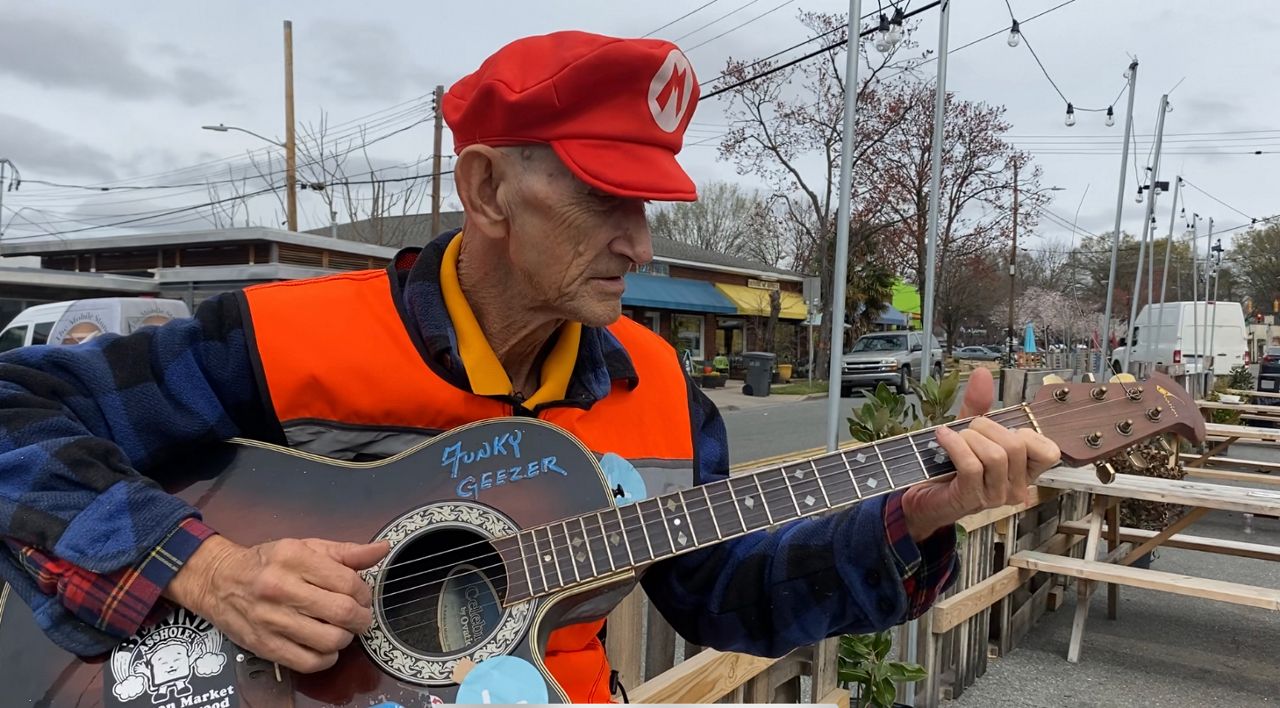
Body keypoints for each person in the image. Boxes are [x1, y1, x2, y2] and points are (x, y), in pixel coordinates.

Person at [0, 31, 1059, 703]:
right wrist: (212, 571)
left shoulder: (657, 389)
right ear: (490, 190)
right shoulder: (280, 337)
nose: (640, 245)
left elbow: (721, 595)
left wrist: (911, 515)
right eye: (605, 199)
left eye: (645, 209)